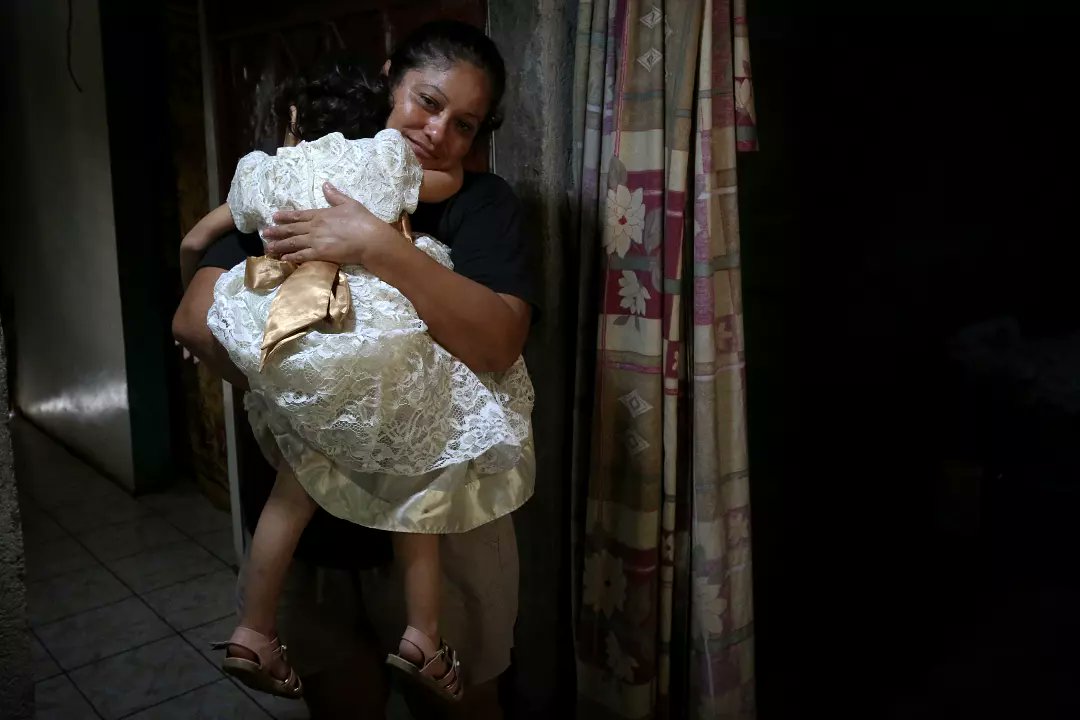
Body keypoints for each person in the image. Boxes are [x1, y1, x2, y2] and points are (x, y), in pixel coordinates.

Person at [173, 20, 535, 719]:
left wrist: (376, 246)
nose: (438, 133)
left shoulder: (484, 205)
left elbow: (495, 345)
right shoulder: (308, 180)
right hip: (320, 541)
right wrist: (324, 398)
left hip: (447, 525)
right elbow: (193, 318)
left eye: (464, 124)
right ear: (390, 78)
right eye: (427, 103)